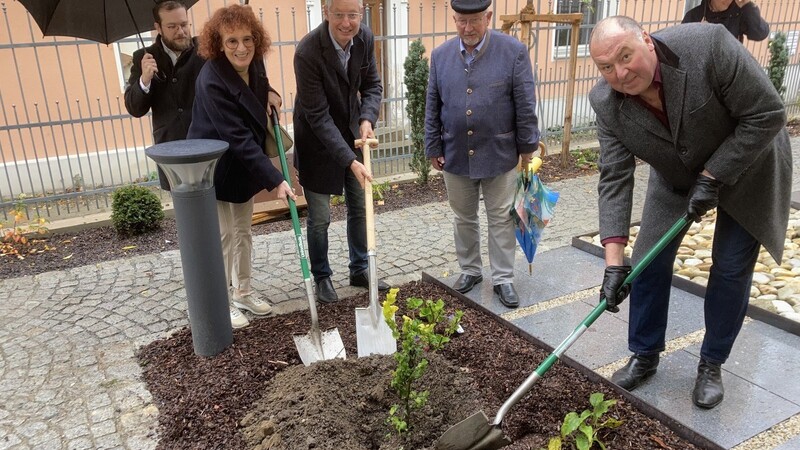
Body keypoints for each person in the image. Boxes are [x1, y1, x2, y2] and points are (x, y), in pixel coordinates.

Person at [588, 16, 791, 409]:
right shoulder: (606, 104)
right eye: (606, 67)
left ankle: (711, 363)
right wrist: (613, 264)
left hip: (750, 162)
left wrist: (714, 176)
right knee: (646, 261)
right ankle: (645, 354)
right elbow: (614, 178)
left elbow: (768, 113)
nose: (621, 73)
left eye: (625, 56)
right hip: (677, 173)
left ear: (646, 41)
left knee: (730, 266)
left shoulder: (708, 47)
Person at [424, 0, 540, 308]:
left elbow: (525, 103)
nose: (467, 28)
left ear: (488, 17)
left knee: (502, 217)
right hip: (454, 152)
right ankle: (471, 270)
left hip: (500, 152)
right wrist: (433, 146)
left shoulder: (513, 51)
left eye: (474, 20)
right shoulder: (440, 56)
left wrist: (528, 148)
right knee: (463, 217)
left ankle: (503, 277)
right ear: (454, 19)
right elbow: (433, 106)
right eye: (461, 21)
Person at [187, 4, 295, 329]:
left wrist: (270, 93)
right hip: (218, 165)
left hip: (244, 163)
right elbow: (238, 139)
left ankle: (243, 292)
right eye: (232, 41)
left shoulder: (253, 60)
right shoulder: (211, 81)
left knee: (243, 231)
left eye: (247, 39)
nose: (241, 47)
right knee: (224, 235)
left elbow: (258, 85)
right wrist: (276, 179)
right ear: (219, 43)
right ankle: (221, 301)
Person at [293, 0, 390, 304]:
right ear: (326, 12)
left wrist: (366, 118)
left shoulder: (364, 38)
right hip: (317, 141)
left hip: (352, 134)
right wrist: (349, 161)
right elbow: (318, 117)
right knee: (320, 216)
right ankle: (322, 276)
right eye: (339, 15)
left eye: (353, 15)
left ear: (361, 14)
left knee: (360, 207)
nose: (347, 23)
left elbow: (373, 85)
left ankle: (360, 268)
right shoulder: (307, 52)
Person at [124, 0, 205, 191]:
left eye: (184, 24)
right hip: (171, 148)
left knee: (214, 211)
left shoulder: (205, 49)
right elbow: (134, 108)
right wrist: (145, 79)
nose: (181, 31)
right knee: (186, 213)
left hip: (206, 143)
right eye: (172, 26)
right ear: (158, 27)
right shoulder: (143, 57)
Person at [682, 0, 769, 42]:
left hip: (728, 73)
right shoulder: (694, 15)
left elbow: (760, 33)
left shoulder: (739, 13)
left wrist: (747, 6)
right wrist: (697, 36)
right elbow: (681, 46)